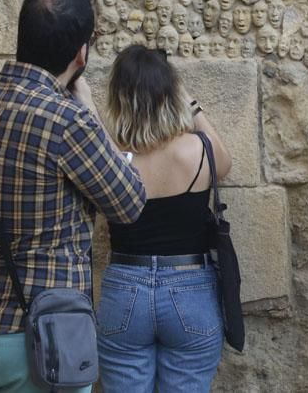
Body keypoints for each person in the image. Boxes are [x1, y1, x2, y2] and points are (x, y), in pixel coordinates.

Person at [0, 0, 147, 393]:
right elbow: (130, 203)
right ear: (81, 53)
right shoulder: (67, 121)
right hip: (39, 336)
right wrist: (90, 110)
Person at [98, 45, 232, 392]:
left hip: (125, 287)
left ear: (118, 99)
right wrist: (189, 100)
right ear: (170, 95)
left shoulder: (112, 157)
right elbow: (225, 163)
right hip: (190, 288)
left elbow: (93, 138)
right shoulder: (196, 149)